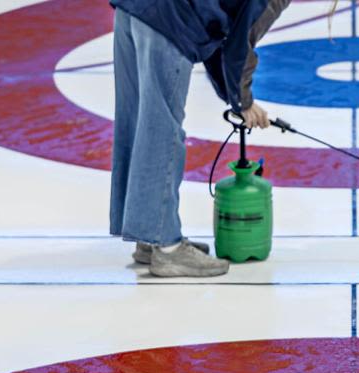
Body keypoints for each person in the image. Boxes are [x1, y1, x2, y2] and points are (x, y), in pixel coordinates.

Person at [109, 0, 296, 277]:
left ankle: (150, 236)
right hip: (168, 20)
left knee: (138, 122)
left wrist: (237, 100)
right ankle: (168, 249)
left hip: (133, 10)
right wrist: (243, 102)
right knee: (162, 131)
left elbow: (218, 39)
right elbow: (239, 44)